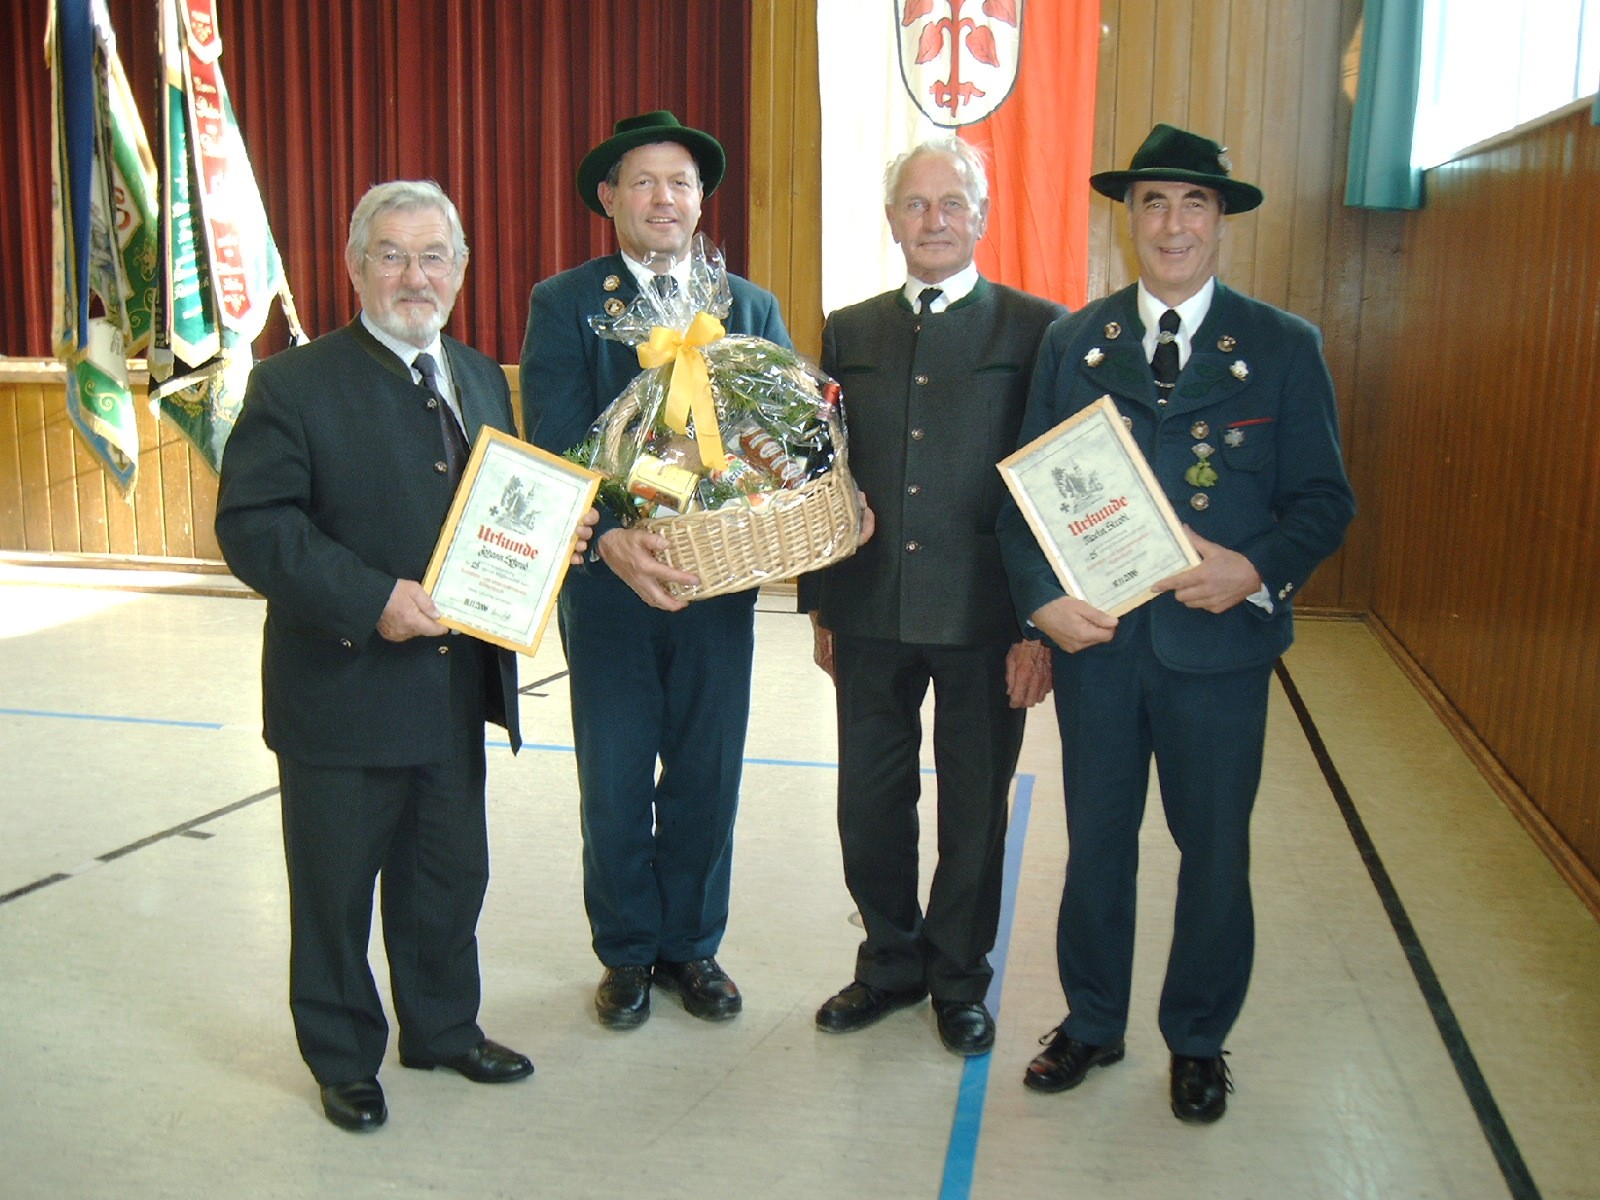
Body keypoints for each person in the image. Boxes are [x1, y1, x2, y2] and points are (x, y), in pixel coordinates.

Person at [216, 180, 596, 1132]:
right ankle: (344, 1058)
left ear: (461, 269)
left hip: (453, 688)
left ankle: (442, 1028)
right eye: (391, 255)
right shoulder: (292, 385)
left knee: (446, 878)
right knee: (335, 894)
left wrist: (555, 538)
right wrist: (370, 600)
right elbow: (254, 527)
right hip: (340, 693)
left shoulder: (478, 374)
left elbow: (500, 508)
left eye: (434, 256)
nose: (414, 276)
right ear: (355, 267)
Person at [997, 124, 1356, 1122]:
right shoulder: (1075, 343)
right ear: (1128, 218)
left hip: (1220, 654)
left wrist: (1254, 568)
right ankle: (1092, 1022)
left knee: (1215, 851)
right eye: (1152, 202)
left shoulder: (1281, 348)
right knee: (1096, 844)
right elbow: (1022, 497)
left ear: (1221, 220)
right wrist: (1039, 602)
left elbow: (1324, 502)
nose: (1172, 224)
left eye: (1193, 203)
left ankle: (1197, 1038)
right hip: (1101, 651)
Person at [519, 112, 789, 1031]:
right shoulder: (566, 304)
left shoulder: (748, 308)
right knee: (617, 775)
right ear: (610, 199)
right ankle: (628, 951)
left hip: (718, 585)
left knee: (709, 771)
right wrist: (610, 540)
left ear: (701, 200)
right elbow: (557, 440)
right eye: (643, 182)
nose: (663, 198)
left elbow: (781, 441)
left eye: (680, 182)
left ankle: (693, 947)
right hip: (610, 586)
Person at [799, 139, 1061, 1057]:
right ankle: (888, 964)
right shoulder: (850, 329)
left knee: (975, 807)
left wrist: (1039, 626)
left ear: (980, 217)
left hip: (988, 616)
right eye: (916, 204)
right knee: (868, 802)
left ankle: (958, 977)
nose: (935, 220)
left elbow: (1052, 483)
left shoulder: (1036, 329)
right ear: (892, 220)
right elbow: (823, 474)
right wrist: (822, 605)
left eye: (953, 204)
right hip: (869, 608)